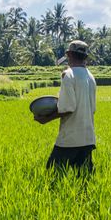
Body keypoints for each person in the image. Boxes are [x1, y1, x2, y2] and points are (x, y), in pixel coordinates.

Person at [34, 40, 96, 174]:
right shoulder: (91, 77)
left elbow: (68, 108)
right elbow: (92, 109)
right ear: (85, 56)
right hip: (88, 138)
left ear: (68, 55)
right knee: (84, 181)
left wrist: (46, 118)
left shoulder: (68, 75)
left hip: (70, 139)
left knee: (52, 177)